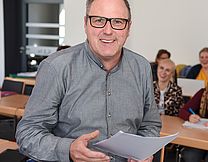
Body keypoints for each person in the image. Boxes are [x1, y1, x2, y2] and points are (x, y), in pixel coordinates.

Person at [15, 0, 161, 162]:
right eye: (99, 20)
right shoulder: (56, 67)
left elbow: (150, 125)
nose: (108, 31)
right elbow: (27, 133)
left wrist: (142, 151)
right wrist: (68, 150)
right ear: (86, 23)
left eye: (118, 22)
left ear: (128, 28)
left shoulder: (142, 67)